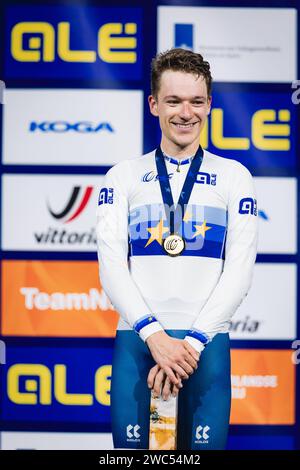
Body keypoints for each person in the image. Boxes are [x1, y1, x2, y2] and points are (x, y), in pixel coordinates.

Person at [96, 48, 258, 450]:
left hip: (206, 345)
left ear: (209, 106)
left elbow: (239, 272)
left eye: (196, 101)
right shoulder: (123, 176)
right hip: (138, 342)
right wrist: (155, 338)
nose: (185, 113)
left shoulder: (234, 177)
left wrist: (192, 344)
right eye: (173, 100)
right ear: (154, 104)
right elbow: (111, 267)